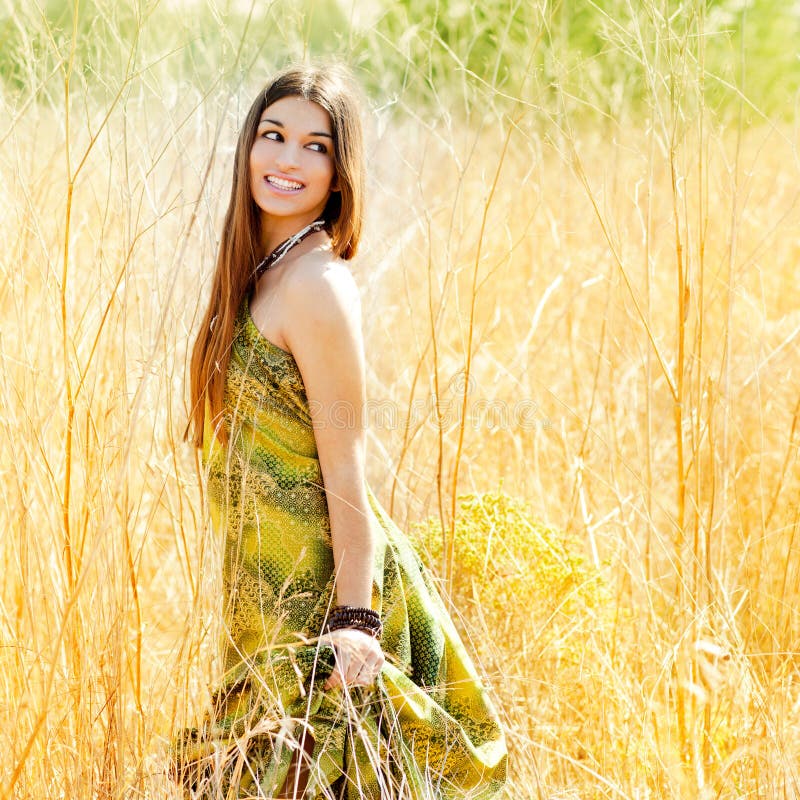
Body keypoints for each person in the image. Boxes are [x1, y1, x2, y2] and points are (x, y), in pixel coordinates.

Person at [172, 61, 507, 799]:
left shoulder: (318, 287)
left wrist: (355, 622)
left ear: (339, 175)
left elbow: (348, 467)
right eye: (275, 135)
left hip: (319, 608)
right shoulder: (259, 274)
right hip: (263, 607)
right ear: (248, 147)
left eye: (315, 147)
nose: (288, 160)